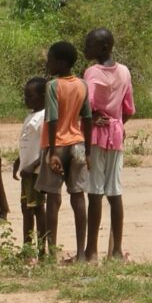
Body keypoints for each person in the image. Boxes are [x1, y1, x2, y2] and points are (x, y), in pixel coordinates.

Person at [35, 41, 92, 262]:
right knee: (78, 197)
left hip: (57, 144)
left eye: (50, 59)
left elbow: (52, 118)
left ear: (61, 62)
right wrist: (88, 151)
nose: (47, 63)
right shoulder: (83, 85)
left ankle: (51, 252)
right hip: (77, 144)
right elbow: (87, 118)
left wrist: (52, 152)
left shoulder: (52, 85)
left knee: (53, 198)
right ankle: (80, 254)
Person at [83, 27, 135, 262]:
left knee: (94, 193)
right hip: (116, 135)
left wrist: (94, 118)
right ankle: (116, 251)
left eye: (90, 45)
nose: (86, 49)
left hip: (95, 135)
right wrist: (118, 125)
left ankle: (91, 251)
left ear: (103, 48)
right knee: (115, 193)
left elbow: (87, 105)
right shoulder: (124, 71)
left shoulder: (92, 73)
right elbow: (129, 109)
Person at [13, 77, 47, 261]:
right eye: (25, 96)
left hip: (35, 172)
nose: (26, 100)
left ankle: (42, 251)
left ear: (42, 97)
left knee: (38, 209)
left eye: (30, 96)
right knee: (26, 209)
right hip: (26, 172)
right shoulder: (30, 116)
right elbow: (27, 143)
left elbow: (47, 147)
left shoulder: (43, 118)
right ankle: (27, 249)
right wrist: (19, 161)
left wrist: (33, 165)